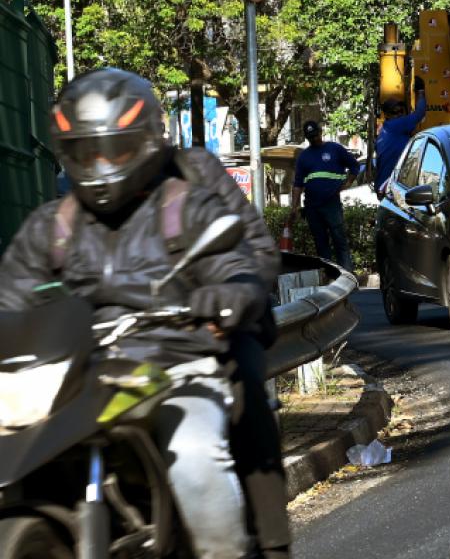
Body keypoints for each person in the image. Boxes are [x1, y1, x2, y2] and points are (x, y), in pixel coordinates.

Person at [0, 67, 289, 559]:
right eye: (85, 152)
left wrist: (232, 293)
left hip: (178, 362)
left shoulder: (189, 200)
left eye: (115, 149)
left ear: (149, 139)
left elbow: (240, 258)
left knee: (197, 458)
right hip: (81, 377)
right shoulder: (51, 226)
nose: (100, 165)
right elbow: (10, 298)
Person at [289, 120, 357, 270]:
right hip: (312, 207)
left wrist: (348, 183)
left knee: (339, 240)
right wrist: (294, 207)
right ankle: (330, 276)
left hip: (331, 203)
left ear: (320, 132)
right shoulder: (304, 157)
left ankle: (348, 275)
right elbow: (298, 184)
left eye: (315, 135)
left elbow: (354, 165)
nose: (314, 139)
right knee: (321, 244)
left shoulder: (335, 149)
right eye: (310, 137)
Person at [375, 83, 426, 197]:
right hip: (390, 187)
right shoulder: (396, 125)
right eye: (395, 112)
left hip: (383, 186)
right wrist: (421, 92)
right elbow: (419, 113)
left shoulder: (383, 132)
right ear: (387, 115)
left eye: (401, 111)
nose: (399, 115)